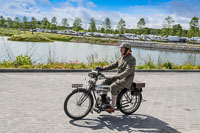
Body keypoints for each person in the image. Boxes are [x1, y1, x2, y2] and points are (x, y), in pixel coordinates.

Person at [96, 42, 136, 113]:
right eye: (120, 49)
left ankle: (112, 106)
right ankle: (104, 99)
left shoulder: (132, 59)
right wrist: (102, 68)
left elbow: (128, 71)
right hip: (118, 78)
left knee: (113, 87)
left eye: (122, 49)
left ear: (128, 50)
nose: (120, 50)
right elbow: (113, 65)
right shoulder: (121, 57)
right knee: (104, 82)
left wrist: (118, 76)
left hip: (126, 80)